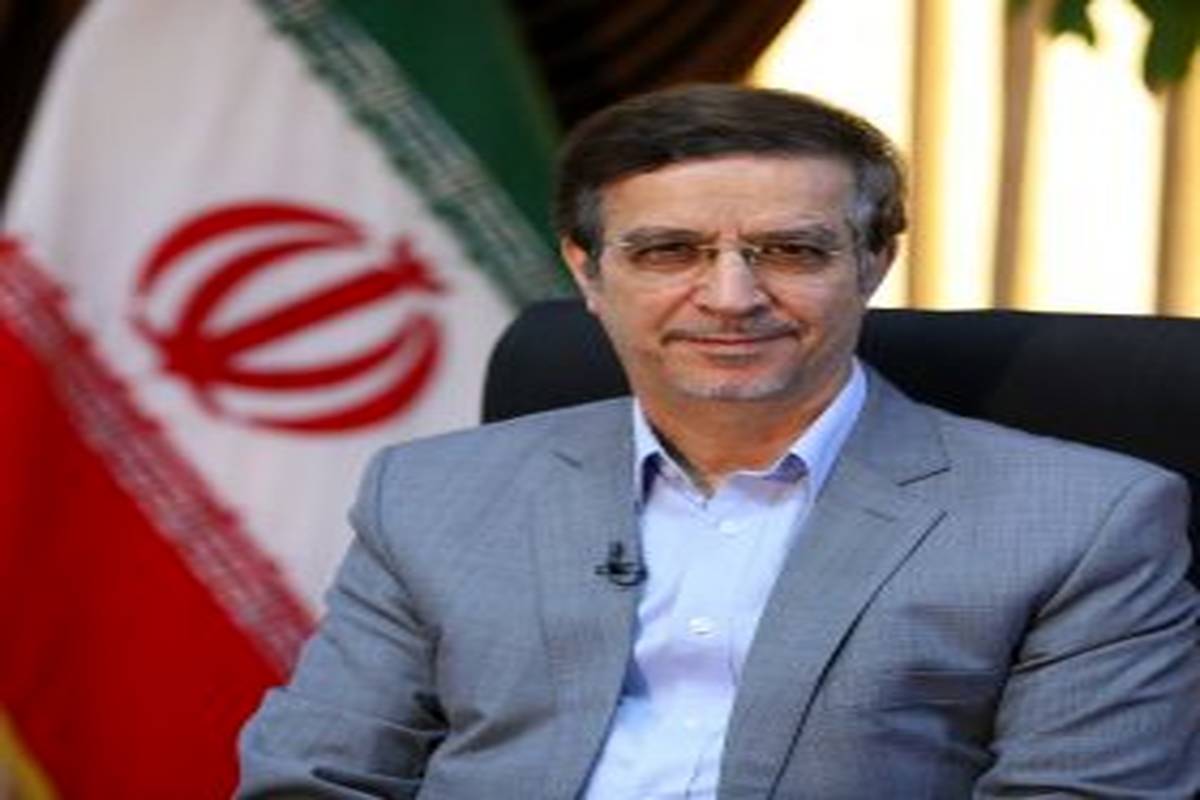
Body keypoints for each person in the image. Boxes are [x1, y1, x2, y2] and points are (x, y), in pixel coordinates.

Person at [237, 84, 1200, 798]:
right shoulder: (429, 494)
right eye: (669, 252)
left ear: (874, 261)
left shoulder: (1085, 522)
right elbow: (315, 779)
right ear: (588, 271)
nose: (732, 298)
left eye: (791, 250)